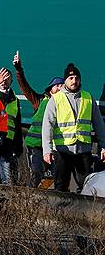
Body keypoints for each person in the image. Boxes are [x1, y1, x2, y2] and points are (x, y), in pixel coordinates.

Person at [41, 63, 105, 193]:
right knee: (61, 186)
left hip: (83, 151)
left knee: (87, 186)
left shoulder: (88, 98)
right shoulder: (56, 99)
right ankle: (59, 212)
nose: (74, 81)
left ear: (80, 79)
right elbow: (47, 125)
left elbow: (99, 124)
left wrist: (103, 146)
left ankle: (85, 213)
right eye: (70, 78)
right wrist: (47, 150)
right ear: (65, 80)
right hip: (62, 151)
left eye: (76, 78)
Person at [13, 51, 63, 187]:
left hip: (54, 147)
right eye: (57, 85)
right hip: (36, 146)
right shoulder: (40, 101)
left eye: (62, 86)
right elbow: (25, 88)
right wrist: (18, 70)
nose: (60, 88)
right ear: (50, 89)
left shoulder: (65, 105)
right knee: (35, 172)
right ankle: (28, 199)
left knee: (57, 176)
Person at [0, 66, 22, 185]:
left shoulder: (15, 99)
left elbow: (17, 123)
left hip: (8, 141)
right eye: (2, 78)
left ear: (11, 81)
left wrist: (18, 145)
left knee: (6, 175)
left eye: (7, 79)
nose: (4, 81)